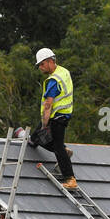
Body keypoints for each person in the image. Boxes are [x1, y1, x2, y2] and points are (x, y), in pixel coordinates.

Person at [29, 47, 78, 188]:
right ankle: (64, 150)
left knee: (56, 146)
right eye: (39, 66)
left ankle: (70, 179)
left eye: (42, 64)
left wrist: (44, 125)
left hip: (56, 117)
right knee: (34, 139)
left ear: (50, 61)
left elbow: (48, 104)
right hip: (62, 114)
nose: (41, 68)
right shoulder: (63, 71)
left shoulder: (53, 81)